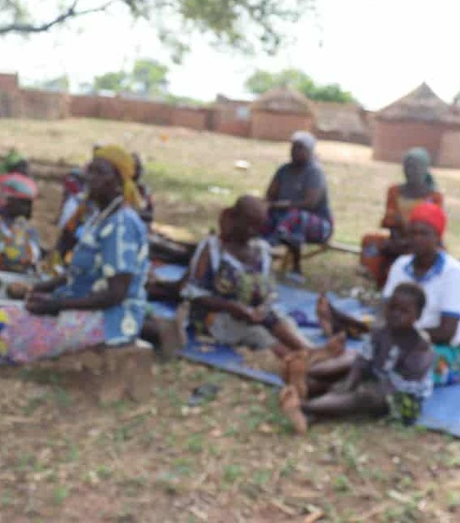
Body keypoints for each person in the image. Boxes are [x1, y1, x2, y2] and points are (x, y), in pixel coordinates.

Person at [0, 145, 149, 365]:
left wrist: (56, 305)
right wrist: (39, 289)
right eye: (90, 170)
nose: (89, 178)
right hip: (78, 303)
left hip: (111, 320)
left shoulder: (122, 225)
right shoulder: (98, 217)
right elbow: (78, 272)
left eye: (99, 173)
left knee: (7, 336)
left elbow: (115, 294)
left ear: (118, 182)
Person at [183, 196, 341, 360]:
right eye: (248, 224)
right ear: (234, 219)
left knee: (279, 322)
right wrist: (233, 308)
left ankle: (313, 352)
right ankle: (301, 362)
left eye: (257, 226)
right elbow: (194, 293)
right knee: (258, 334)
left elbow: (269, 291)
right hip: (217, 317)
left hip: (253, 314)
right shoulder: (213, 249)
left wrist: (262, 307)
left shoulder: (261, 250)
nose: (252, 231)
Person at [281, 283, 434, 433]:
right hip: (376, 378)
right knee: (342, 384)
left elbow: (398, 385)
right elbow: (363, 359)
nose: (396, 314)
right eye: (392, 307)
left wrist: (358, 387)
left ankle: (302, 406)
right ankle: (305, 401)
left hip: (402, 398)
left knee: (363, 395)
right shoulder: (381, 330)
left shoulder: (419, 345)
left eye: (404, 311)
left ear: (418, 316)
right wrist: (350, 382)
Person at [383, 202, 460, 386]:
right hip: (398, 339)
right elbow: (385, 310)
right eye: (413, 233)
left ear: (438, 237)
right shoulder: (400, 265)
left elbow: (447, 332)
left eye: (424, 233)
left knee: (392, 366)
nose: (417, 239)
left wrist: (402, 336)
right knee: (364, 360)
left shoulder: (454, 273)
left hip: (439, 348)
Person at [361, 148, 444, 288]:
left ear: (425, 169)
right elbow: (391, 220)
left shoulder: (434, 197)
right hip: (398, 237)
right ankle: (372, 279)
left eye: (416, 167)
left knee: (412, 257)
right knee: (370, 242)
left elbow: (431, 228)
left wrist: (408, 242)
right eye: (407, 167)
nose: (410, 171)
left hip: (422, 242)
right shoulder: (394, 191)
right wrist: (396, 241)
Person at [264, 131, 333, 277]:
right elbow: (270, 195)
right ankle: (264, 249)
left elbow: (310, 203)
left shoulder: (314, 172)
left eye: (299, 148)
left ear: (309, 151)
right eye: (293, 148)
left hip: (318, 224)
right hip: (284, 217)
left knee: (295, 217)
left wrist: (283, 205)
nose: (294, 152)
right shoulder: (283, 170)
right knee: (266, 215)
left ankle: (296, 268)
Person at [0, 172, 42, 273]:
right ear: (7, 201)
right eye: (23, 203)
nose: (28, 209)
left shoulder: (30, 231)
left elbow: (33, 257)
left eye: (29, 204)